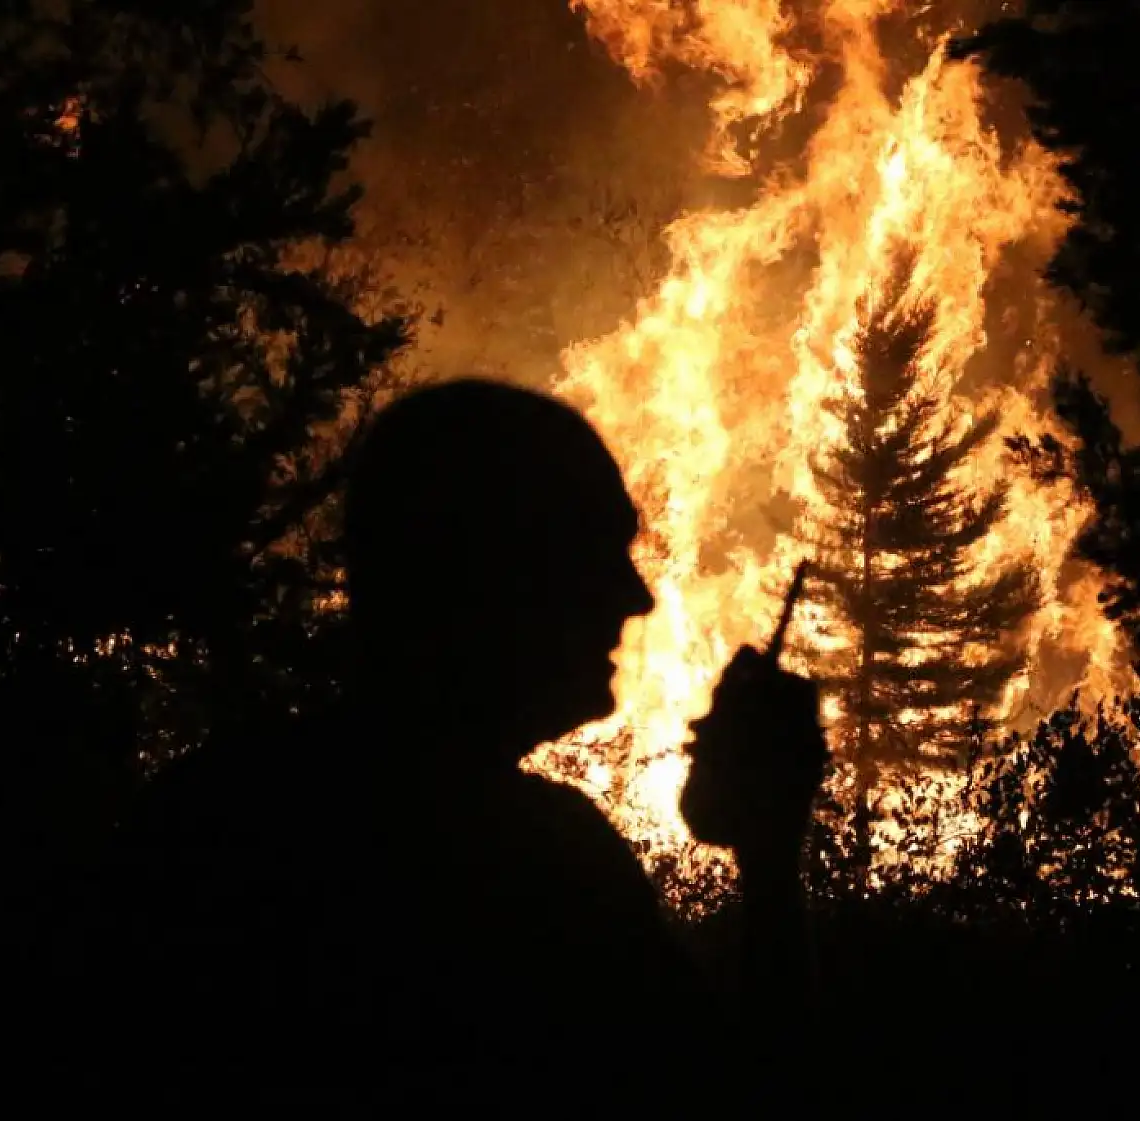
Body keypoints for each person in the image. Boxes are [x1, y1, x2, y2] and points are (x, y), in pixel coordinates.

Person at [105, 378, 826, 1106]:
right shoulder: (541, 863)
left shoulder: (213, 813)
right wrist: (769, 858)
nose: (635, 597)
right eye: (598, 552)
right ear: (497, 574)